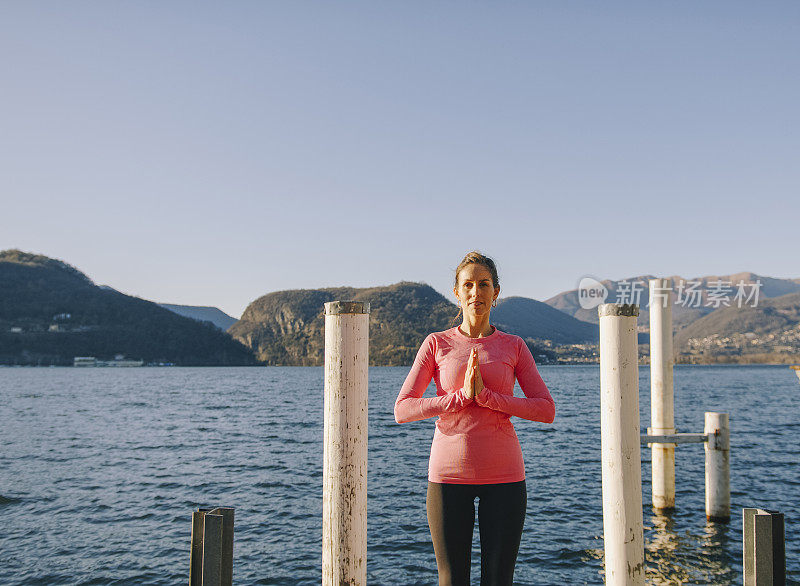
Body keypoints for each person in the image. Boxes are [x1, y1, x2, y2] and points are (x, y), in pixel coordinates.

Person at [394, 251, 556, 586]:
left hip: (505, 477)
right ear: (457, 291)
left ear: (496, 292)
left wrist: (487, 397)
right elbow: (403, 409)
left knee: (498, 580)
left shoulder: (513, 346)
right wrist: (460, 397)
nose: (475, 292)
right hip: (448, 478)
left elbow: (545, 409)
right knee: (452, 580)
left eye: (484, 284)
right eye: (468, 284)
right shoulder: (436, 344)